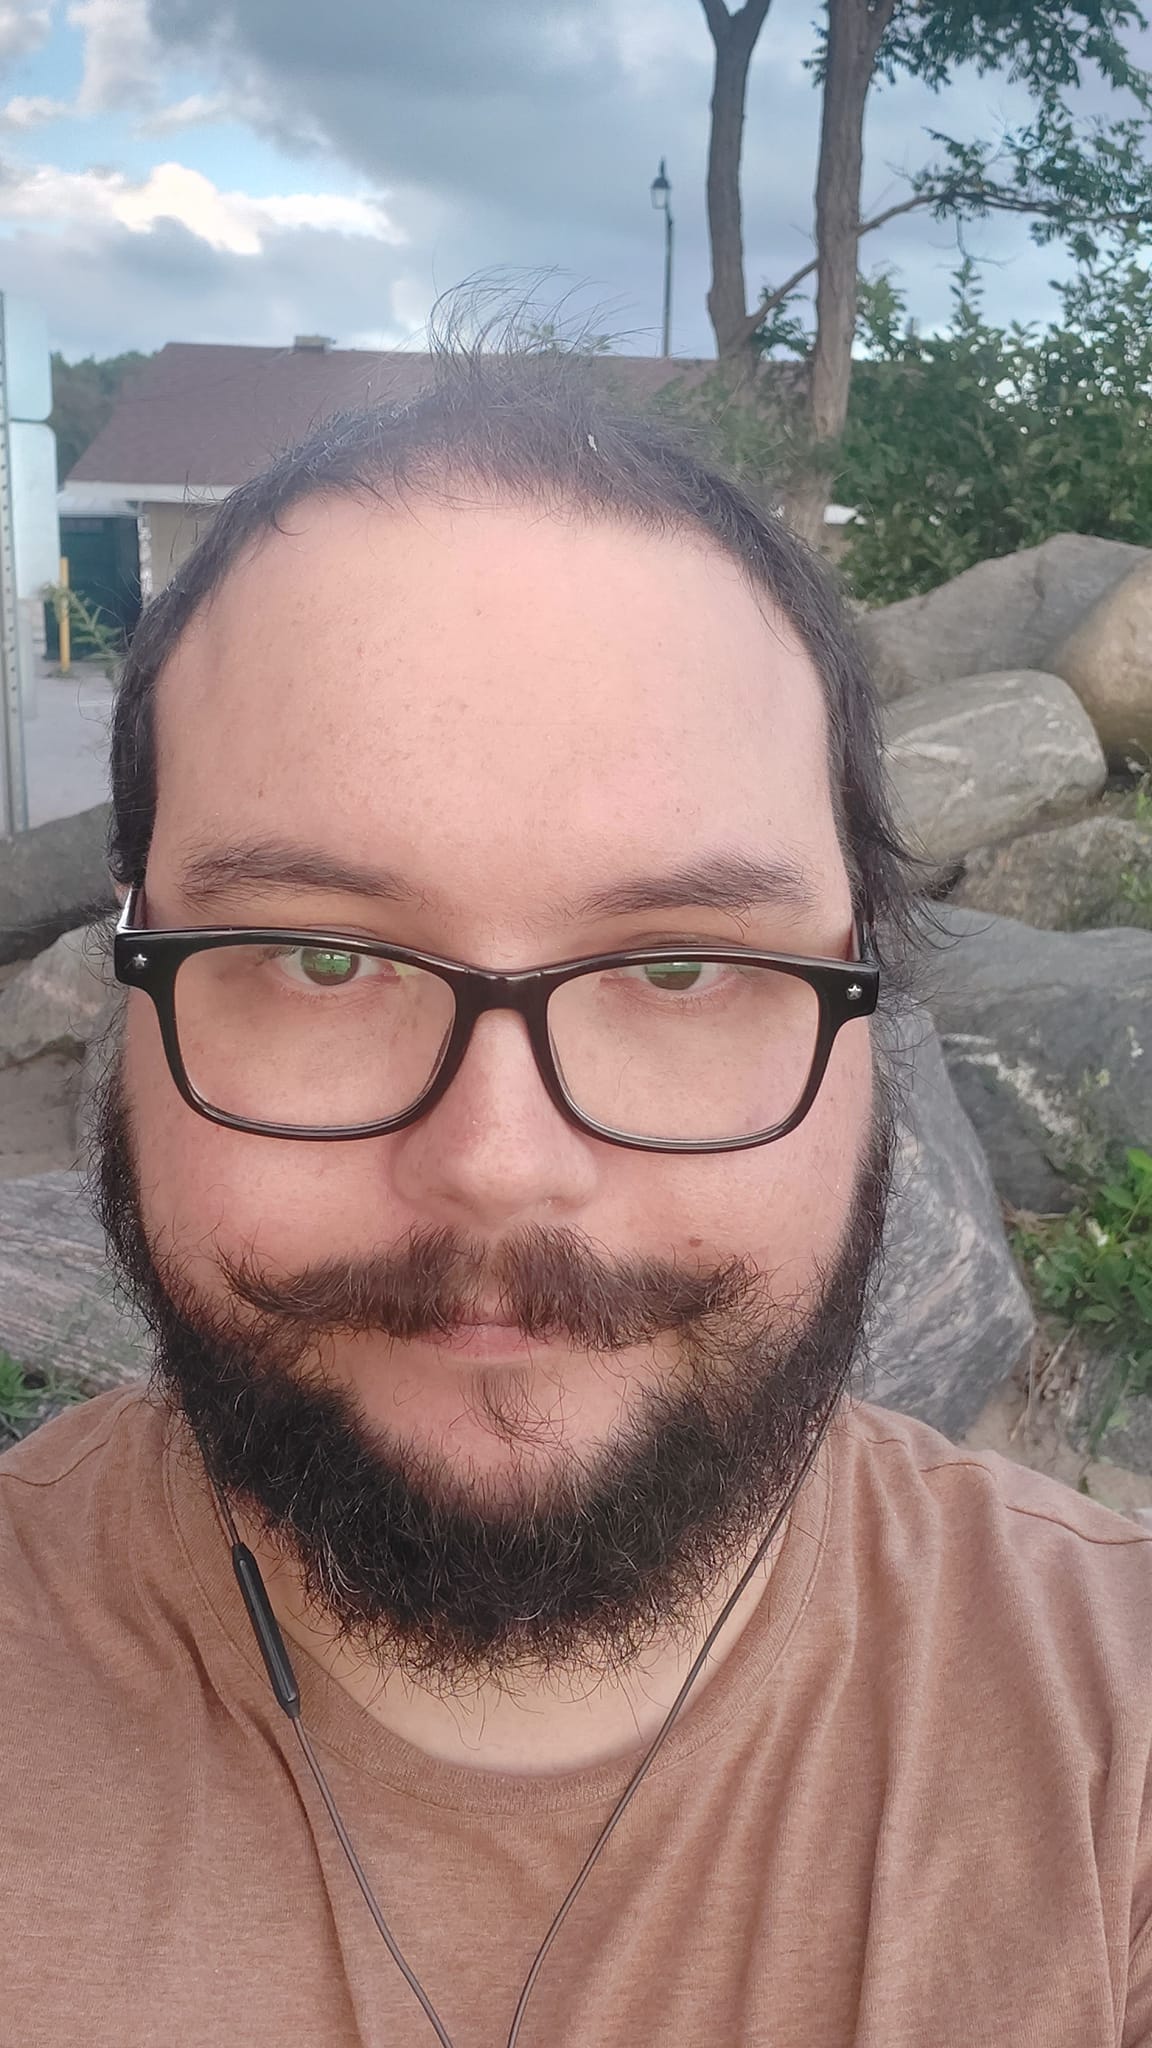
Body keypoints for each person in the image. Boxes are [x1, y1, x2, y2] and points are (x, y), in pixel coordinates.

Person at [3, 351, 1151, 2048]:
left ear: (868, 1001)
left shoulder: (1114, 1751)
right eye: (322, 957)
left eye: (678, 965)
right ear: (128, 981)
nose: (498, 1163)